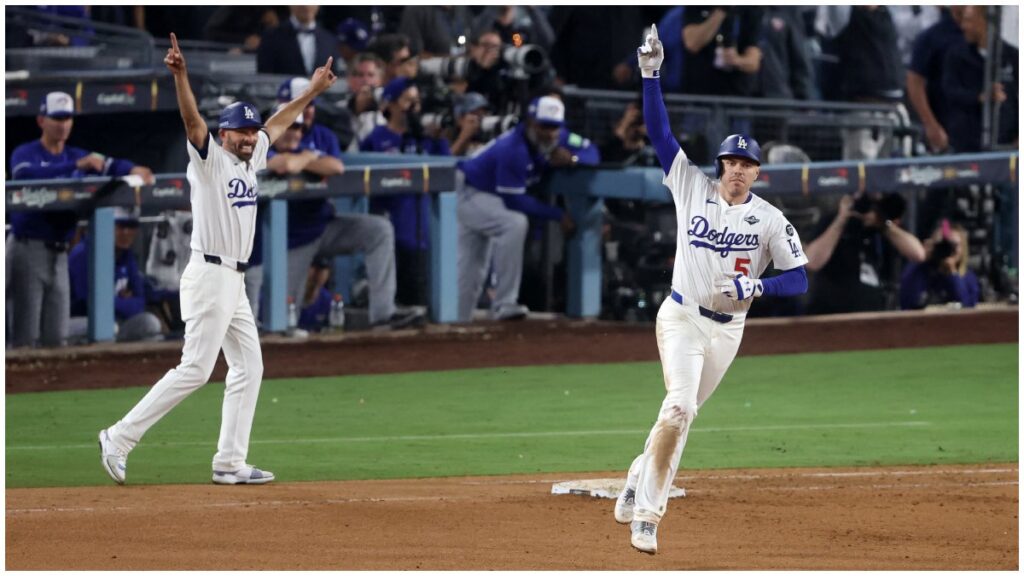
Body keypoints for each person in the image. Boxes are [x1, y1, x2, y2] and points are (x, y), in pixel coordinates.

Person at [97, 33, 338, 486]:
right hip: (209, 274)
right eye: (240, 131)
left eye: (251, 131)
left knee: (250, 366)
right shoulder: (210, 160)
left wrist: (312, 91)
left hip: (235, 281)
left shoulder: (253, 158)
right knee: (196, 369)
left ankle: (229, 462)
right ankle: (119, 437)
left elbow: (279, 124)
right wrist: (181, 76)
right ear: (223, 133)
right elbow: (191, 123)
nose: (249, 137)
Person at [614, 25, 810, 555]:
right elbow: (659, 135)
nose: (738, 170)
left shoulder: (770, 220)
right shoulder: (690, 187)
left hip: (729, 332)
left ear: (757, 173)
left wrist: (759, 286)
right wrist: (651, 74)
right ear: (720, 165)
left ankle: (637, 476)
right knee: (680, 409)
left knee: (675, 415)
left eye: (748, 164)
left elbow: (799, 276)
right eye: (731, 162)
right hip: (681, 317)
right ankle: (649, 517)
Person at [8, 91, 154, 348]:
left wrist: (133, 169)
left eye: (67, 118)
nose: (63, 124)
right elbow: (24, 175)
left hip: (60, 251)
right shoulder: (27, 152)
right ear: (42, 120)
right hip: (27, 248)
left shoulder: (76, 154)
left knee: (56, 336)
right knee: (25, 336)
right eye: (56, 118)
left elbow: (108, 164)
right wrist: (76, 165)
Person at [454, 96, 577, 322]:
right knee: (513, 223)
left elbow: (591, 150)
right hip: (468, 191)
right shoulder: (513, 148)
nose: (550, 132)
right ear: (531, 122)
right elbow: (514, 202)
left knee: (472, 266)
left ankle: (457, 321)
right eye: (544, 126)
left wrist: (574, 158)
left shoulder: (559, 137)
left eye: (554, 127)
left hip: (485, 195)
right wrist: (558, 215)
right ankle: (504, 303)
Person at [361, 78, 451, 307]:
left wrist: (439, 138)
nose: (414, 107)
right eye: (408, 100)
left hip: (424, 229)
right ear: (390, 104)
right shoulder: (376, 138)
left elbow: (448, 169)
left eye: (417, 101)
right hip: (390, 225)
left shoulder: (426, 138)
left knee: (423, 296)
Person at [804, 192, 925, 315]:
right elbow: (812, 262)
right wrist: (841, 219)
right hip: (833, 314)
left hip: (876, 316)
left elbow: (918, 254)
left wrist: (884, 224)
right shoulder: (831, 221)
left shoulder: (884, 227)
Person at [67, 207, 164, 343]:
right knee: (107, 328)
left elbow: (140, 303)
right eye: (120, 226)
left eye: (130, 227)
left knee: (150, 323)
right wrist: (123, 302)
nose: (125, 232)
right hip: (79, 322)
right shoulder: (83, 254)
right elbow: (90, 304)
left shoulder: (126, 256)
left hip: (116, 321)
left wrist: (112, 301)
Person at [942, 5, 1019, 152]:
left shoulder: (1013, 56)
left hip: (1006, 142)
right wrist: (979, 97)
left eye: (969, 21)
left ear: (986, 22)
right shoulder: (956, 55)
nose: (964, 26)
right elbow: (950, 91)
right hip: (966, 142)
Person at [906, 6, 966, 154]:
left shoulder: (993, 37)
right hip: (945, 125)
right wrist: (930, 124)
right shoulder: (932, 37)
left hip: (986, 129)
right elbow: (914, 81)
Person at [681, 7, 764, 97]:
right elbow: (692, 43)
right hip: (699, 95)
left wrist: (737, 60)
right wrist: (722, 10)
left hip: (736, 95)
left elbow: (754, 62)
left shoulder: (751, 9)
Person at [900, 220, 980, 310]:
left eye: (953, 245)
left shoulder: (968, 277)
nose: (947, 249)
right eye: (942, 245)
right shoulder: (919, 271)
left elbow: (967, 307)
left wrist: (952, 274)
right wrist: (922, 260)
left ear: (963, 249)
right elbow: (907, 301)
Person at [257, 5, 342, 77]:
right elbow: (264, 79)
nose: (305, 5)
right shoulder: (271, 37)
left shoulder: (330, 40)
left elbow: (333, 78)